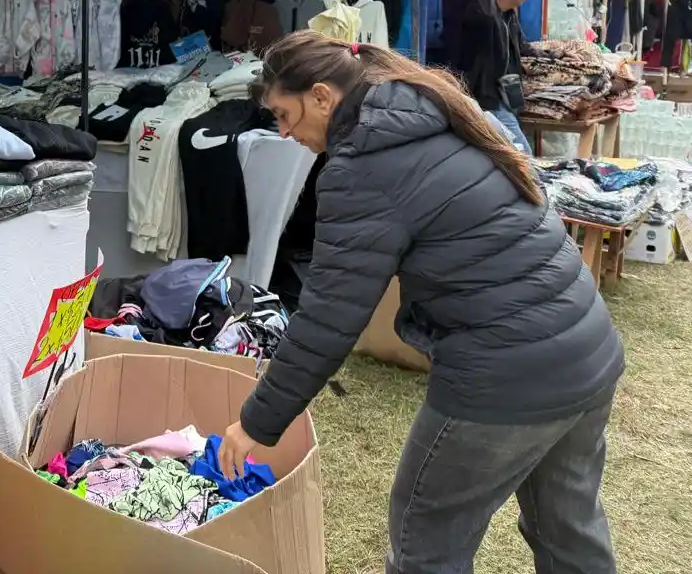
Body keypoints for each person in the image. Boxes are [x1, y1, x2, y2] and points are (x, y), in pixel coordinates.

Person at [219, 31, 623, 574]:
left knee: (427, 543)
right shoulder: (428, 111)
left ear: (322, 96)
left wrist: (256, 422)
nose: (285, 133)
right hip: (586, 350)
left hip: (507, 374)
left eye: (285, 116)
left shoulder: (360, 167)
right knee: (567, 529)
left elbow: (328, 317)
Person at [457, 0, 534, 151]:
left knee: (506, 151)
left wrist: (553, 55)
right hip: (487, 95)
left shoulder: (509, 17)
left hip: (505, 94)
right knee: (523, 153)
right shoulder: (483, 16)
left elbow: (521, 45)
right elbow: (486, 14)